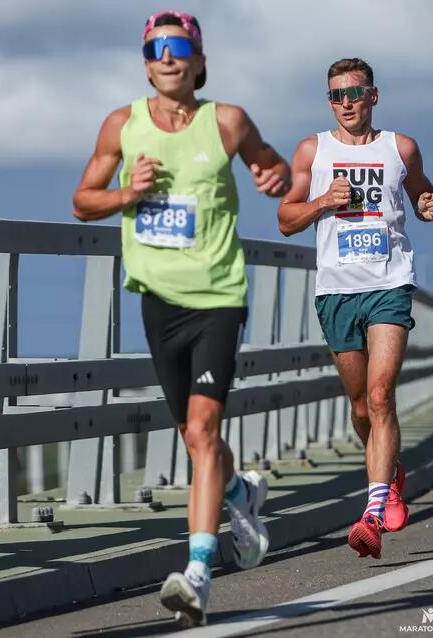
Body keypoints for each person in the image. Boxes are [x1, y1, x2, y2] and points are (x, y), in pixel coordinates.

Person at [72, 10, 291, 626]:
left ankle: (197, 573)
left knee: (201, 432)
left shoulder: (227, 121)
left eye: (178, 47)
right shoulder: (123, 124)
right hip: (158, 301)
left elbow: (272, 166)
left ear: (198, 61)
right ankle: (243, 493)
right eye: (154, 48)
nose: (166, 57)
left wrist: (274, 176)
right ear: (146, 63)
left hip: (218, 296)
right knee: (197, 441)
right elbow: (82, 200)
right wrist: (127, 194)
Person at [277, 58, 433, 560]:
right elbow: (286, 219)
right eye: (337, 96)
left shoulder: (401, 147)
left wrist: (431, 206)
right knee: (359, 406)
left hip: (389, 283)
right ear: (329, 101)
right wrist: (324, 200)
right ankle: (390, 471)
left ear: (374, 95)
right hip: (337, 290)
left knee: (380, 393)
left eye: (356, 92)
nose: (346, 102)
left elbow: (423, 197)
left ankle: (372, 511)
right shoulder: (313, 149)